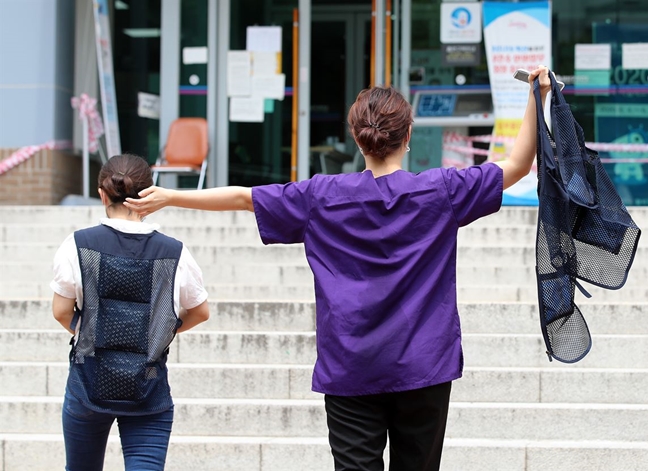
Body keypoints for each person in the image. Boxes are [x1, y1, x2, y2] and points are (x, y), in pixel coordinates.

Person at [124, 67, 552, 471]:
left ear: (356, 137)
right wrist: (538, 97)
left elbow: (243, 197)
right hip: (424, 365)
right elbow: (515, 167)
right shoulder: (440, 191)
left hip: (350, 366)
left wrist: (171, 197)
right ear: (407, 136)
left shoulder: (321, 197)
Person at [51, 153, 210, 471]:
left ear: (102, 193)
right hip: (148, 384)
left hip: (88, 381)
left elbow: (60, 311)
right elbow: (200, 311)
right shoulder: (174, 251)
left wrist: (94, 331)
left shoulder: (77, 244)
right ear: (148, 194)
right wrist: (157, 331)